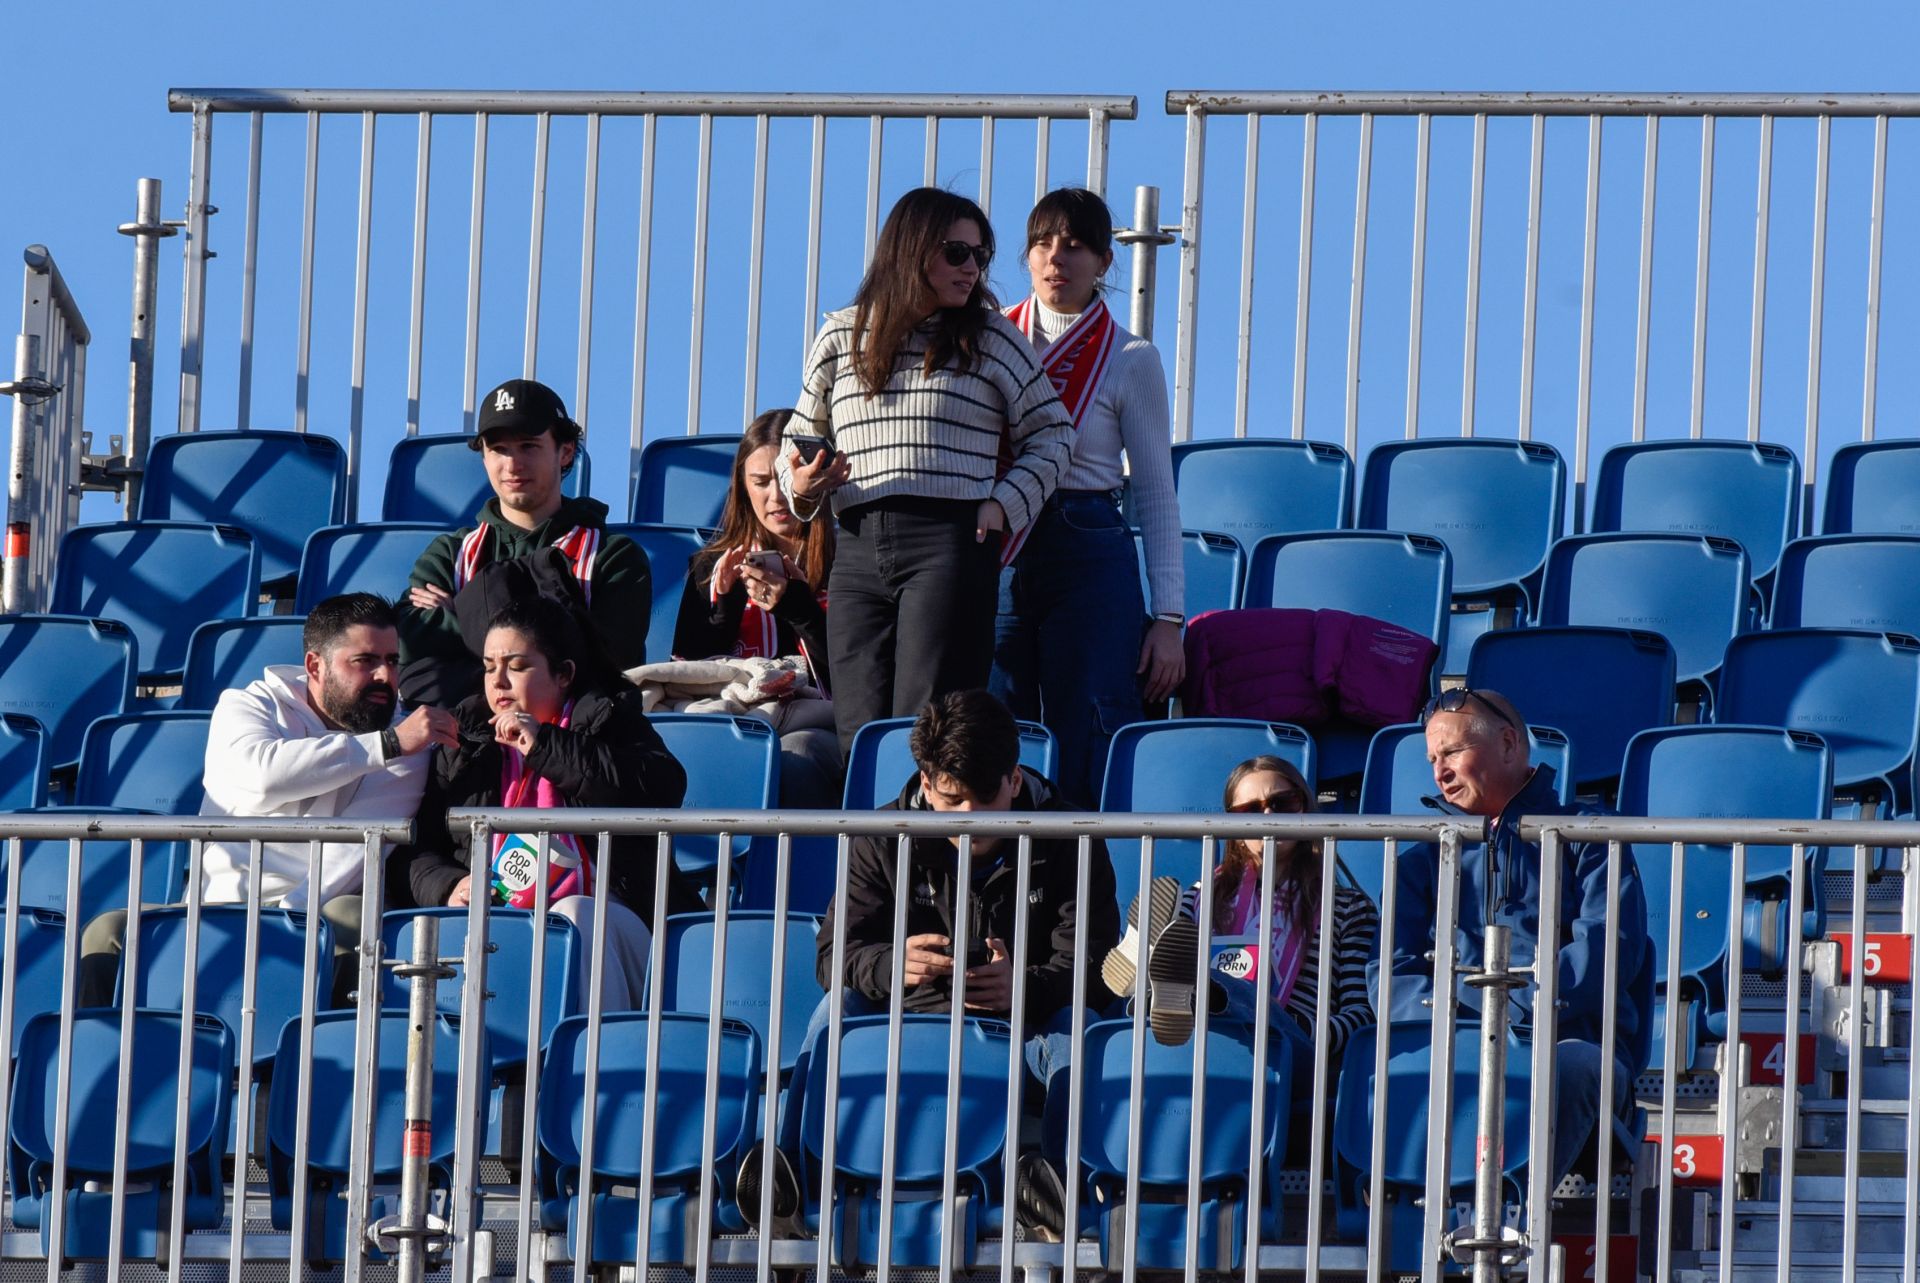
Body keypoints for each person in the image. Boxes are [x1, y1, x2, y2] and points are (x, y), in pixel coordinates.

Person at [743, 690, 1120, 1228]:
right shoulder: (881, 836)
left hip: (1027, 1020)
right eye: (952, 800)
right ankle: (789, 1183)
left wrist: (1025, 987)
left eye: (984, 800)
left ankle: (1058, 1195)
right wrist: (891, 964)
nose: (970, 820)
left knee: (1075, 1029)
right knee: (835, 1011)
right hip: (909, 1015)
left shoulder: (1072, 837)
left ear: (1015, 780)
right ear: (925, 783)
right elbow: (833, 956)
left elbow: (1095, 965)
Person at [775, 187, 1077, 755]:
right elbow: (796, 440)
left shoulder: (992, 336)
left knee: (927, 731)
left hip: (950, 544)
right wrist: (803, 485)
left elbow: (1055, 432)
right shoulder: (841, 333)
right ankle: (868, 821)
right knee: (857, 736)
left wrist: (1003, 504)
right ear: (911, 249)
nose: (972, 268)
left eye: (981, 256)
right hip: (856, 548)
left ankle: (926, 820)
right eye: (957, 252)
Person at [78, 593, 460, 1002]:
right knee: (107, 932)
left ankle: (330, 1044)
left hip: (309, 914)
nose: (385, 675)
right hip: (216, 908)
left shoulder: (409, 740)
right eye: (365, 661)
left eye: (392, 660)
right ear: (315, 666)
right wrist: (384, 746)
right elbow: (260, 776)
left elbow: (355, 850)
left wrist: (278, 925)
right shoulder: (247, 705)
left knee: (350, 917)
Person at [1383, 688, 1656, 1184]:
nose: (1440, 772)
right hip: (1453, 1044)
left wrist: (1511, 1014)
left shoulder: (1589, 839)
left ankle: (1514, 1213)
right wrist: (1464, 1024)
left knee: (1574, 1065)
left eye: (1452, 753)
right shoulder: (1420, 861)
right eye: (1433, 760)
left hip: (1562, 1041)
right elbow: (1392, 974)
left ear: (1508, 744)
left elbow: (1605, 951)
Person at [399, 596, 698, 1010]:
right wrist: (449, 885)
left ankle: (594, 1050)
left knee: (573, 916)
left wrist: (545, 745)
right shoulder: (465, 739)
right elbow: (418, 846)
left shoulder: (608, 719)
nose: (498, 682)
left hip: (613, 922)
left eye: (517, 666)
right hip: (504, 918)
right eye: (489, 667)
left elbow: (662, 787)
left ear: (564, 674)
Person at [991, 187, 1185, 806]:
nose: (1056, 259)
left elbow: (1155, 491)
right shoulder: (990, 339)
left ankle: (1085, 863)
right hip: (1000, 541)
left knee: (1092, 722)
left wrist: (1169, 619)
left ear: (1104, 260)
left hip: (1090, 543)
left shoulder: (1131, 357)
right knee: (994, 720)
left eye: (1074, 246)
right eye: (1042, 244)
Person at [1104, 756, 1379, 1073]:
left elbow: (1361, 1015)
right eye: (1250, 811)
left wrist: (1296, 1025)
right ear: (1232, 824)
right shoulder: (1202, 896)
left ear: (1304, 807)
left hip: (1288, 1054)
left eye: (1283, 803)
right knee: (1175, 970)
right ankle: (1164, 982)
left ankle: (1187, 990)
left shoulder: (1349, 907)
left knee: (1219, 990)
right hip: (1204, 1046)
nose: (1268, 817)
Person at [400, 377, 654, 705]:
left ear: (566, 452)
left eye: (528, 446)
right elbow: (411, 651)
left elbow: (612, 663)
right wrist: (549, 644)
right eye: (499, 449)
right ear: (484, 458)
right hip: (463, 734)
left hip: (573, 735)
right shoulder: (450, 554)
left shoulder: (612, 555)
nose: (512, 464)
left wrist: (460, 616)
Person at [672, 408, 840, 806]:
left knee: (795, 754)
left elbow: (858, 680)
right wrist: (725, 610)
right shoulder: (710, 568)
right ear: (743, 487)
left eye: (785, 478)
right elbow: (686, 677)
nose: (776, 496)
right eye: (761, 482)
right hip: (735, 721)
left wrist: (799, 609)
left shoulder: (850, 562)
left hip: (822, 725)